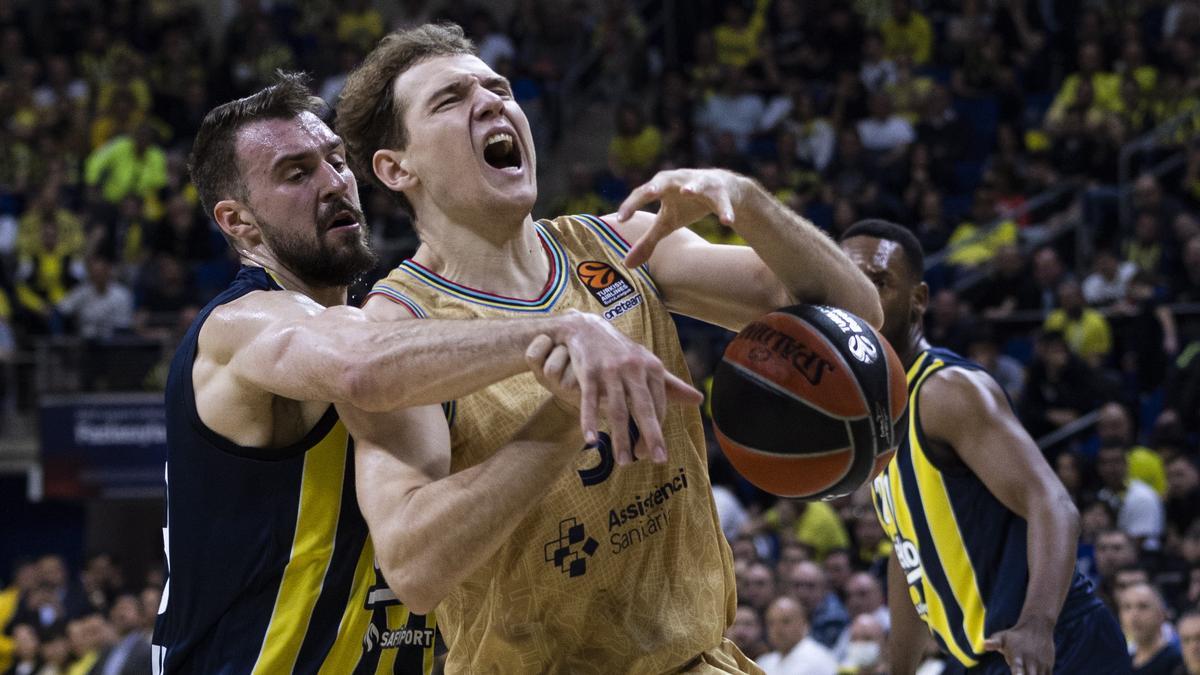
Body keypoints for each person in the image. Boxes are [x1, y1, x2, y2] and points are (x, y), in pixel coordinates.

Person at [334, 22, 882, 672]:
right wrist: (562, 421)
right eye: (450, 100)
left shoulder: (620, 244)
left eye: (499, 87)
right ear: (397, 167)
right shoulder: (396, 331)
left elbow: (855, 317)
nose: (491, 103)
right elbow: (413, 565)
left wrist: (750, 203)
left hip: (697, 658)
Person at [150, 74, 695, 673]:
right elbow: (362, 367)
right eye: (296, 173)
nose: (334, 183)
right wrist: (561, 328)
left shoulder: (390, 330)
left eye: (335, 160)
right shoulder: (241, 324)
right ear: (239, 222)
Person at [839, 219, 1129, 674]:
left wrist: (1038, 623)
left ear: (919, 300)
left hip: (1053, 643)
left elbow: (1052, 503)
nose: (863, 297)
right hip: (979, 658)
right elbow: (907, 550)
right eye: (850, 283)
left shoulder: (945, 391)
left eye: (880, 282)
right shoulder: (876, 414)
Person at [756, 596, 838, 675]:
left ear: (804, 624)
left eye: (786, 621)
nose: (777, 629)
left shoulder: (819, 660)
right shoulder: (764, 662)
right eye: (771, 623)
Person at [1118, 583, 1181, 674]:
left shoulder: (1178, 660)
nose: (1134, 615)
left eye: (1143, 606)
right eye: (1127, 607)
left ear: (1161, 614)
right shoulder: (1121, 662)